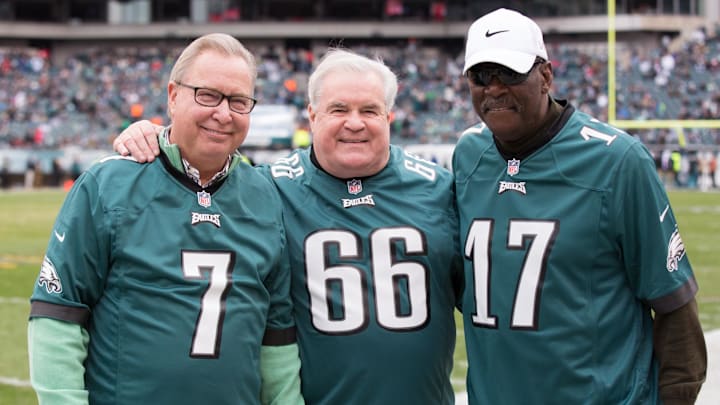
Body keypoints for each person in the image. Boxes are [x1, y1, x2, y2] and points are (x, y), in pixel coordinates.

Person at [113, 48, 464, 404]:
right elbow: (195, 183)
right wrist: (157, 138)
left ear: (389, 117)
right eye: (339, 109)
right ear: (312, 116)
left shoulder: (438, 189)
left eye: (369, 111)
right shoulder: (267, 188)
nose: (354, 123)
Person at [28, 33, 303, 405]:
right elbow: (58, 314)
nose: (223, 114)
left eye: (239, 101)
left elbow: (277, 339)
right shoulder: (109, 185)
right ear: (173, 96)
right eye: (208, 95)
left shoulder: (267, 195)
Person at [453, 8, 706, 404]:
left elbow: (674, 307)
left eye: (511, 74)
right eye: (481, 76)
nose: (495, 88)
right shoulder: (468, 154)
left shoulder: (617, 161)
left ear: (546, 77)